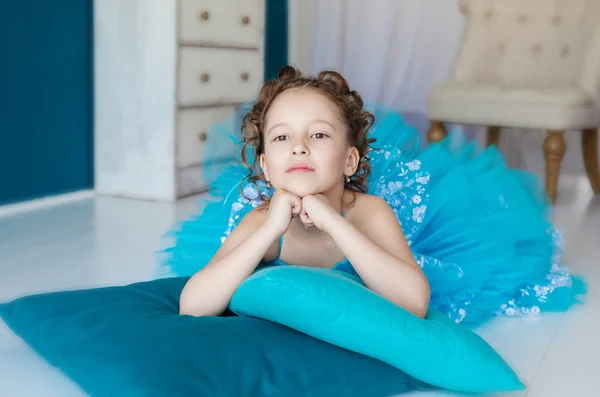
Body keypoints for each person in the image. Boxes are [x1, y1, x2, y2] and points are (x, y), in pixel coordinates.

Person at [161, 66, 586, 327]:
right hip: (269, 220)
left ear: (349, 162)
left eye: (319, 134)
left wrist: (333, 222)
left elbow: (414, 301)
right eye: (282, 137)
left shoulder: (371, 211)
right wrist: (270, 229)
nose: (300, 146)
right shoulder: (260, 220)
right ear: (266, 166)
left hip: (386, 231)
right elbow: (192, 306)